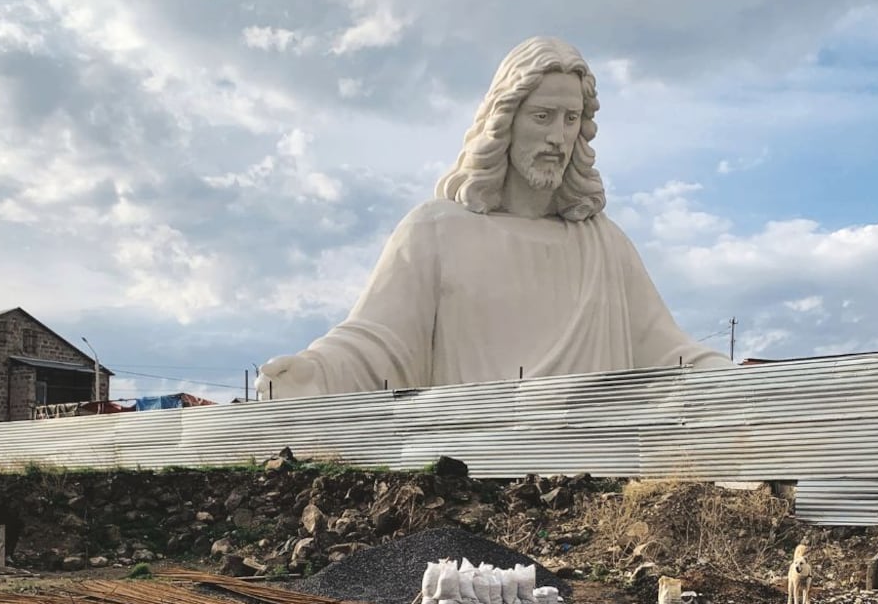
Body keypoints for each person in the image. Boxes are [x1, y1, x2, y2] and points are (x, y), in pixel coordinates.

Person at [256, 36, 729, 399]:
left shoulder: (605, 245)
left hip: (598, 471)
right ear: (504, 121)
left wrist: (741, 384)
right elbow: (382, 342)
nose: (558, 138)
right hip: (468, 478)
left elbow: (665, 351)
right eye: (543, 116)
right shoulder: (435, 230)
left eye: (570, 119)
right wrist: (316, 371)